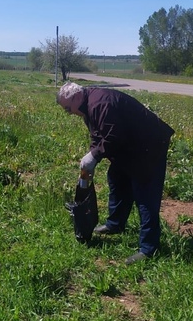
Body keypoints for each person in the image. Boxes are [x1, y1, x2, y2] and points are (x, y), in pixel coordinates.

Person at [56, 82, 174, 264]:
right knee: (117, 178)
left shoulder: (100, 103)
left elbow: (114, 136)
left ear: (76, 97)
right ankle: (115, 224)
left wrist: (95, 156)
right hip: (130, 145)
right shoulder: (88, 106)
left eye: (67, 108)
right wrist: (91, 155)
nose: (69, 113)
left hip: (149, 145)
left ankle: (149, 248)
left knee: (145, 194)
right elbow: (98, 135)